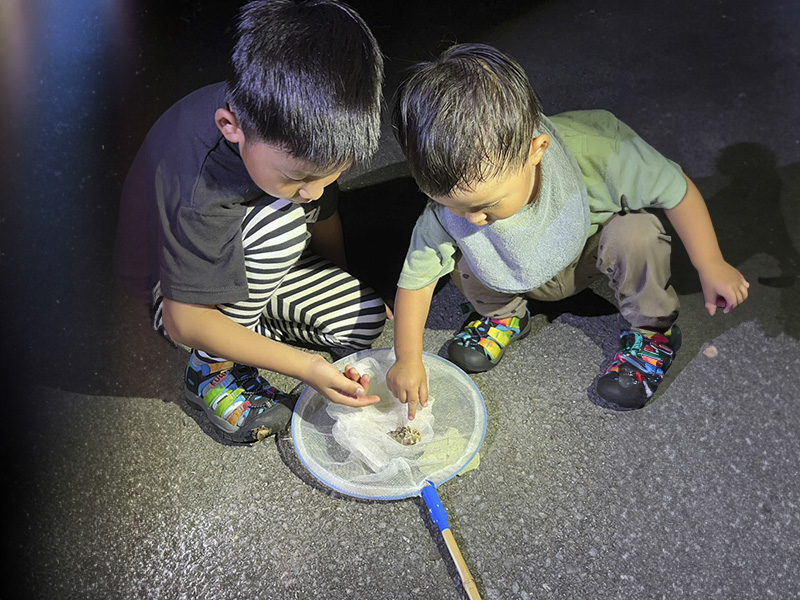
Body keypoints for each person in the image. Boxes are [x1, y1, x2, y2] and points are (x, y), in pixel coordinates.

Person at [386, 43, 749, 416]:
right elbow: (417, 277)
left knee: (637, 233)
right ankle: (505, 313)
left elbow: (678, 189)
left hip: (584, 257)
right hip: (511, 269)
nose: (473, 218)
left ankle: (654, 332)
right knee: (459, 247)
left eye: (486, 205)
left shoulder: (601, 150)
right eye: (451, 204)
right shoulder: (459, 204)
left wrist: (711, 263)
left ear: (536, 150)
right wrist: (407, 358)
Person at [114, 0, 387, 443]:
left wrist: (343, 278)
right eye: (298, 177)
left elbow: (323, 212)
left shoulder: (304, 142)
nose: (314, 191)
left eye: (332, 174)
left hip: (245, 265)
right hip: (173, 295)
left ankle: (244, 329)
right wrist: (306, 367)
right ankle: (210, 371)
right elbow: (185, 320)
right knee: (282, 225)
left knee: (364, 318)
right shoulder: (200, 177)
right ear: (231, 126)